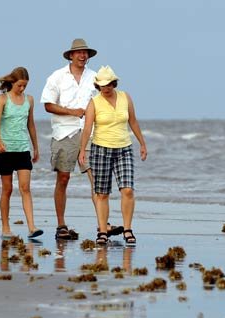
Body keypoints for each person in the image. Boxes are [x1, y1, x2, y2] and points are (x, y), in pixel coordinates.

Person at [40, 38, 123, 242]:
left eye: (85, 52)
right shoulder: (57, 77)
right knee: (63, 178)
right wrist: (71, 111)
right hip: (64, 133)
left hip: (92, 133)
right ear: (70, 55)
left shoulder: (95, 77)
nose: (82, 55)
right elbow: (48, 105)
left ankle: (103, 226)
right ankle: (61, 225)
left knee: (97, 181)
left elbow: (107, 99)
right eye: (78, 52)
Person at [78, 66, 147, 247]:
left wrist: (142, 143)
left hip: (124, 148)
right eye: (101, 85)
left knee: (128, 190)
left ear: (113, 83)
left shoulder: (125, 97)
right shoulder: (94, 102)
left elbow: (133, 121)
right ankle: (102, 231)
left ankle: (127, 229)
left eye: (108, 84)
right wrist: (82, 150)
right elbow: (87, 128)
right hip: (100, 149)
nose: (105, 88)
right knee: (102, 193)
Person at [0, 67, 43, 241]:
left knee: (25, 188)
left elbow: (31, 125)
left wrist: (35, 147)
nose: (22, 89)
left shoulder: (29, 100)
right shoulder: (2, 99)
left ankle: (31, 227)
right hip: (5, 151)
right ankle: (5, 228)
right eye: (20, 85)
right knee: (7, 189)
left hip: (23, 150)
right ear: (13, 82)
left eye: (25, 86)